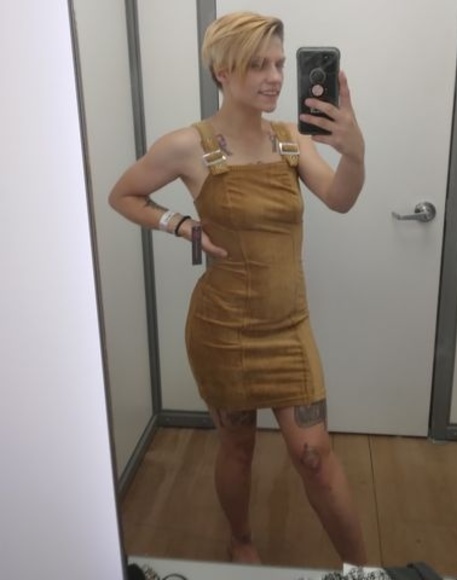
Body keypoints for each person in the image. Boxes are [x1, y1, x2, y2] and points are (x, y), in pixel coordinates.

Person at [109, 11, 367, 566]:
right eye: (258, 65)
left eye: (279, 63)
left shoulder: (292, 140)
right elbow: (123, 195)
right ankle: (241, 538)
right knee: (238, 446)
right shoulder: (189, 145)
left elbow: (341, 199)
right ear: (221, 71)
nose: (274, 77)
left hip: (289, 329)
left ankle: (364, 572)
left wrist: (354, 152)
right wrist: (179, 224)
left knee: (315, 456)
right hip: (223, 331)